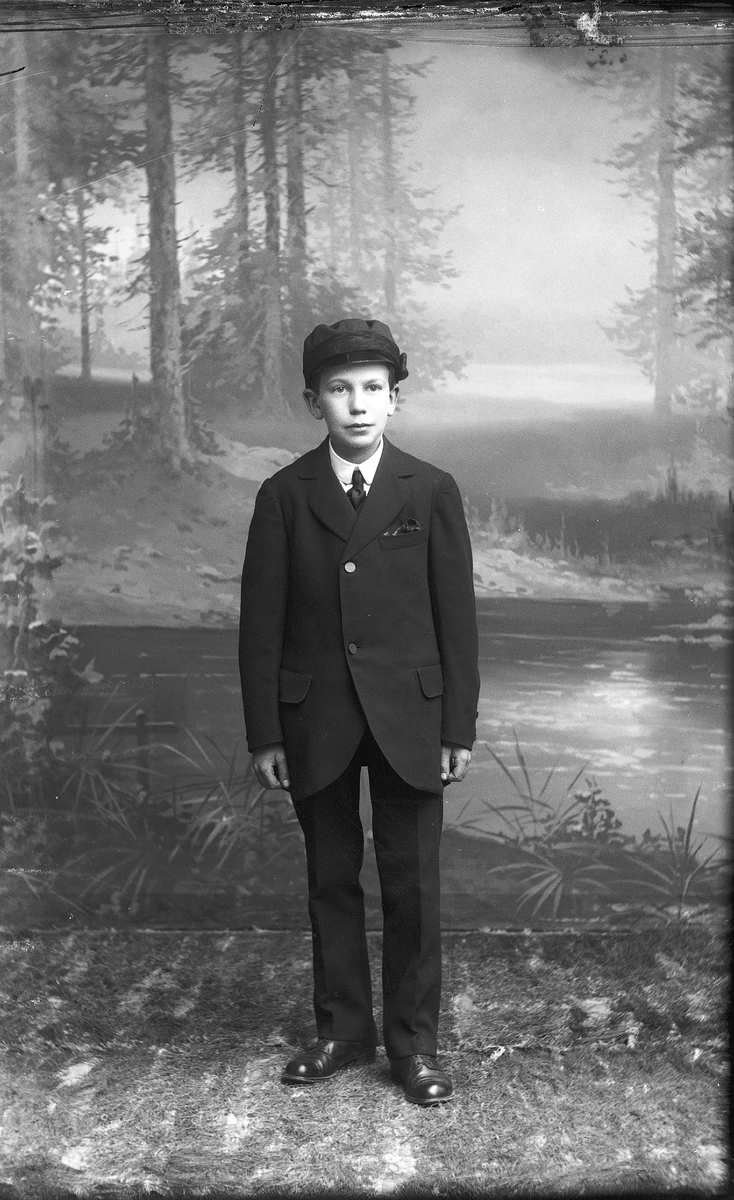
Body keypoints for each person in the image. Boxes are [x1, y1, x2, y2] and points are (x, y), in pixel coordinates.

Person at [239, 317, 480, 1105]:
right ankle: (343, 1031)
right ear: (315, 402)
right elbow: (260, 626)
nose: (358, 403)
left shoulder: (430, 490)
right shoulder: (284, 495)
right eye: (339, 389)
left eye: (373, 388)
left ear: (395, 398)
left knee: (413, 884)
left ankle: (414, 1045)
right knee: (330, 879)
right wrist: (266, 732)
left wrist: (457, 726)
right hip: (316, 719)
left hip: (412, 718)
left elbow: (457, 620)